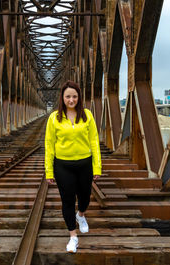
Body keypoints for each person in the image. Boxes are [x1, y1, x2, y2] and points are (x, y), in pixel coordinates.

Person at [44, 80, 102, 253]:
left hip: (85, 164)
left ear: (79, 97)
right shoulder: (54, 118)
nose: (71, 100)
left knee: (84, 197)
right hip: (63, 166)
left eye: (74, 96)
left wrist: (97, 167)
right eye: (68, 96)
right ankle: (73, 236)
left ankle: (81, 215)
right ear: (62, 98)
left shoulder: (87, 115)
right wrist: (49, 170)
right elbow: (49, 145)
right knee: (67, 200)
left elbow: (94, 142)